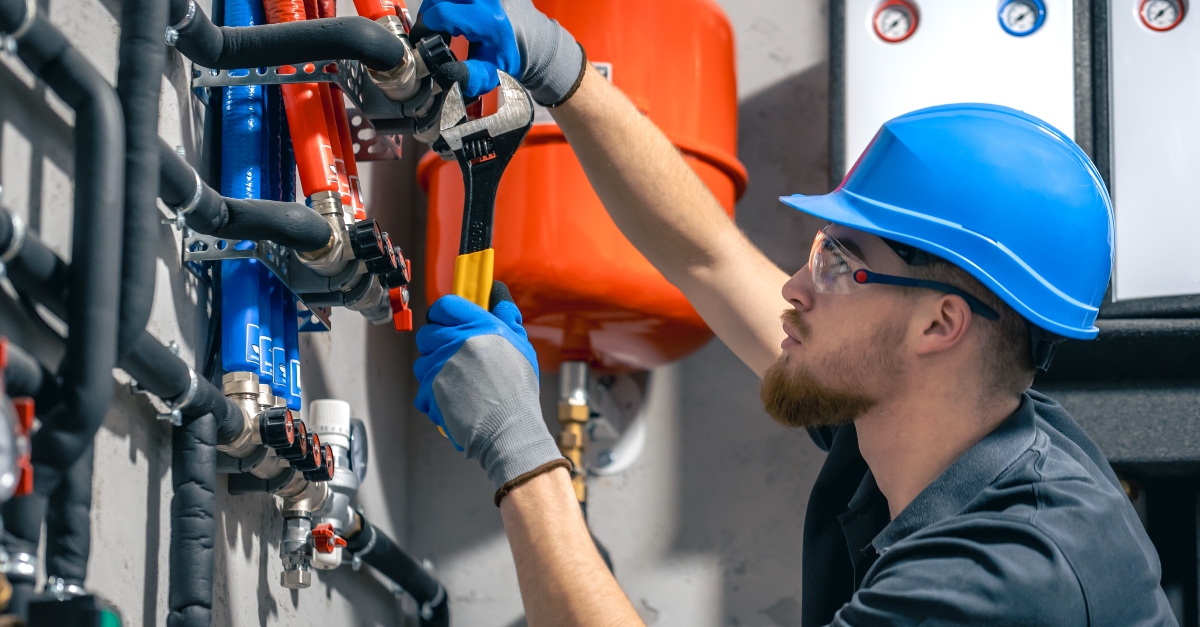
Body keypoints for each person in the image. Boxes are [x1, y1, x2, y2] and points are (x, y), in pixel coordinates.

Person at [410, 1, 1177, 625]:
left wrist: (517, 448)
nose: (794, 290)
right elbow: (709, 256)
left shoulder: (1005, 577)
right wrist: (561, 68)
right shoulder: (931, 418)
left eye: (839, 265)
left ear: (941, 325)